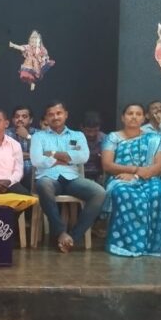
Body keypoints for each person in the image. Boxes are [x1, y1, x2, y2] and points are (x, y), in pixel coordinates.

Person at [30, 101, 105, 252]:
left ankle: (72, 237)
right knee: (43, 185)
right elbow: (36, 160)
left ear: (66, 115)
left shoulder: (77, 136)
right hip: (48, 178)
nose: (55, 117)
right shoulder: (38, 137)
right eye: (51, 114)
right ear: (46, 118)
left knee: (99, 193)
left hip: (72, 179)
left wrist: (51, 154)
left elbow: (83, 156)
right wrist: (66, 158)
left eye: (59, 113)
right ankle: (61, 232)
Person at [101, 104, 161, 257]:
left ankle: (156, 246)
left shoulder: (154, 138)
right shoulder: (113, 138)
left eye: (138, 114)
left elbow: (159, 167)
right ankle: (127, 245)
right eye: (130, 113)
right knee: (124, 193)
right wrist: (133, 170)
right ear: (123, 118)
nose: (134, 117)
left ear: (143, 118)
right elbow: (107, 165)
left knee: (160, 192)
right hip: (120, 178)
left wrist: (137, 175)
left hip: (148, 178)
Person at [5, 105, 38, 191]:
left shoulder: (38, 134)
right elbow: (7, 155)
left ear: (30, 120)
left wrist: (28, 136)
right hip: (11, 172)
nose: (20, 119)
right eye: (17, 116)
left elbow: (43, 154)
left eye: (24, 116)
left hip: (32, 173)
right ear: (13, 120)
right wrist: (32, 155)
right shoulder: (6, 134)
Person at [80, 111, 107, 184]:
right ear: (82, 127)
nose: (92, 134)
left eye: (95, 131)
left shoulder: (105, 139)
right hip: (80, 174)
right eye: (88, 131)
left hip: (99, 174)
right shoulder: (74, 139)